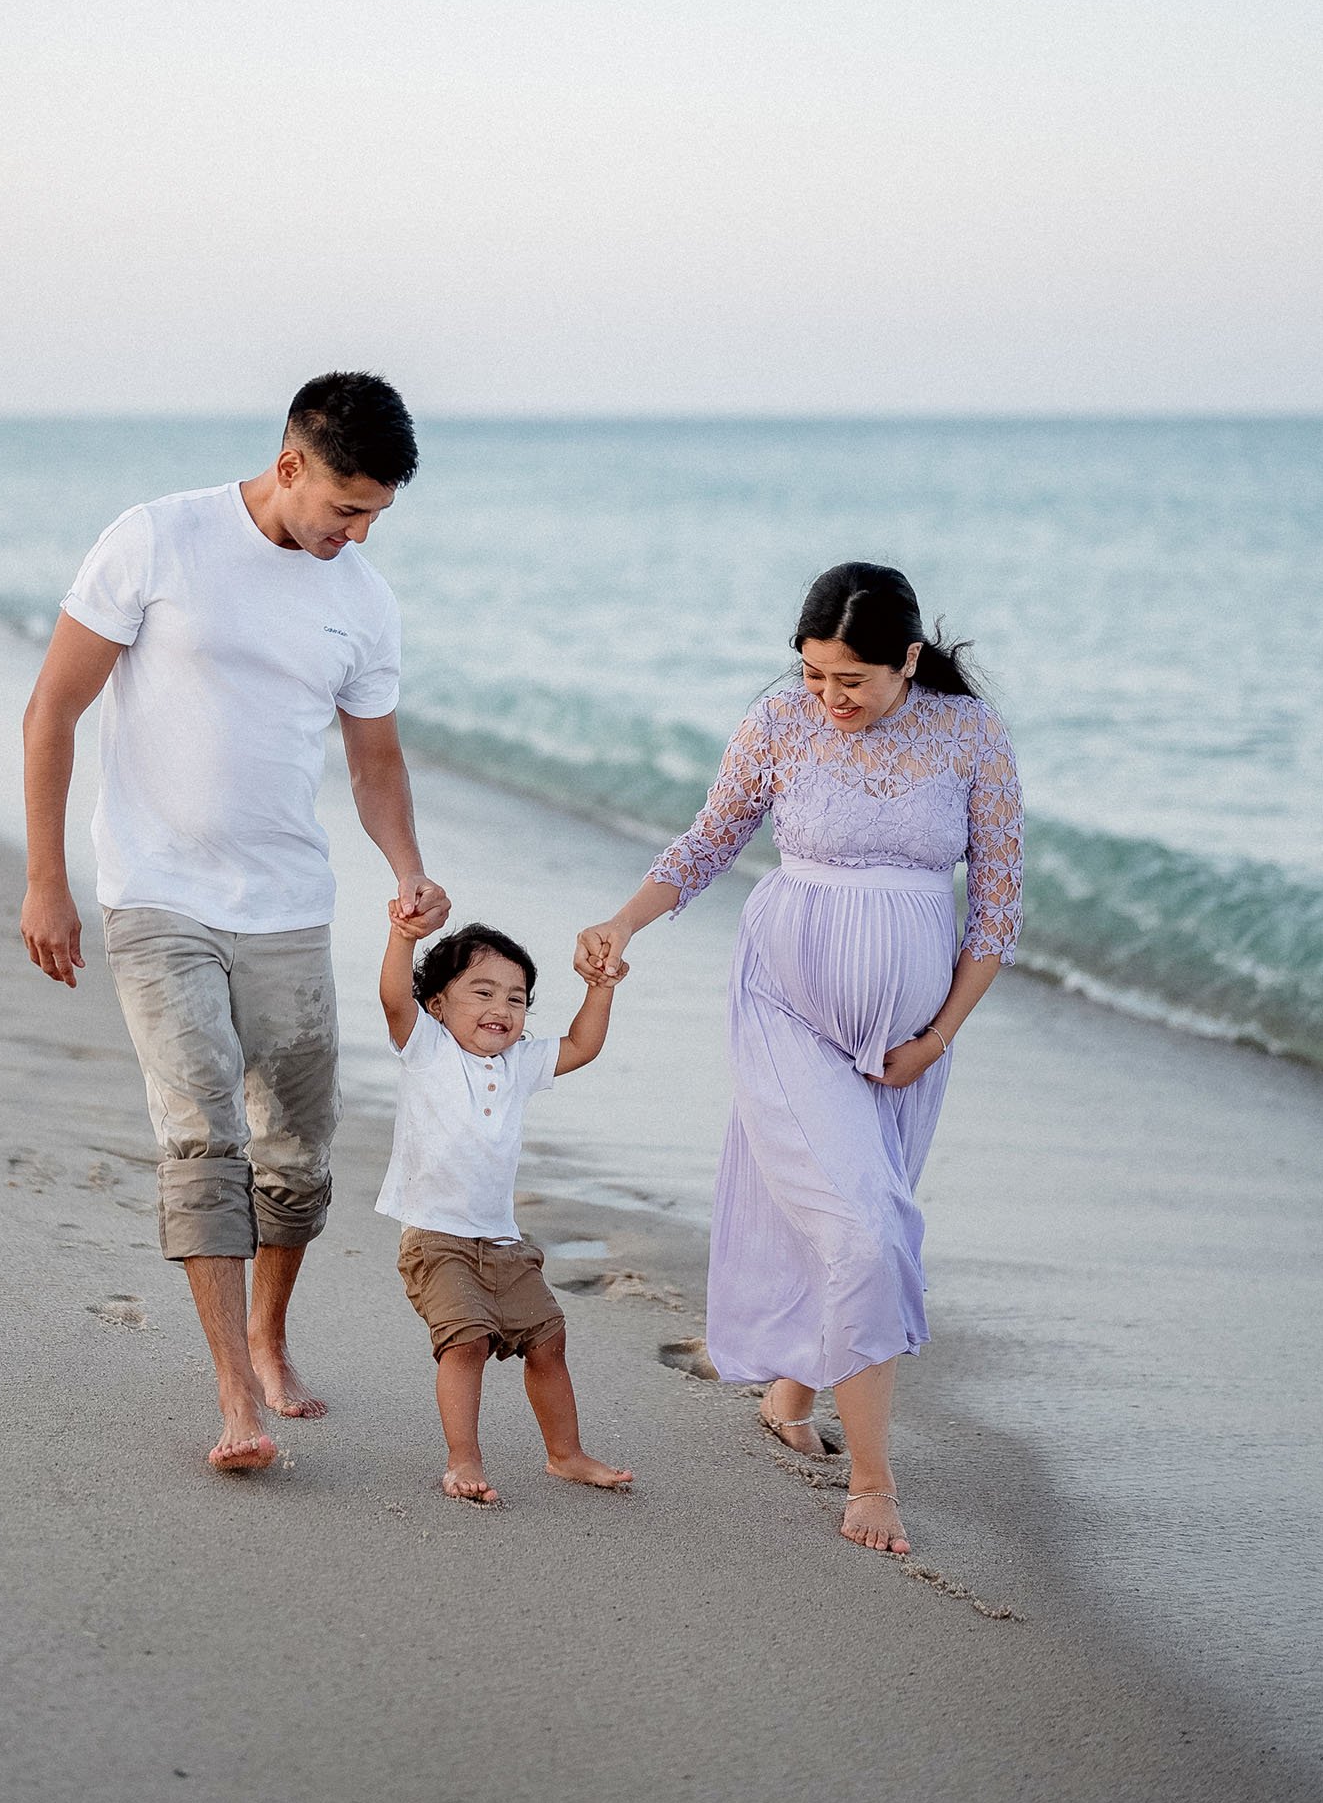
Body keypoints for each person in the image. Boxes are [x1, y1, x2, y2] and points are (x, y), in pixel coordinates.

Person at [20, 372, 451, 1473]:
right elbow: (52, 709)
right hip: (157, 894)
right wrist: (46, 880)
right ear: (291, 461)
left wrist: (405, 865)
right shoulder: (157, 540)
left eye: (374, 517)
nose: (354, 533)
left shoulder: (361, 597)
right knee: (201, 1133)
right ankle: (232, 1401)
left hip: (289, 906)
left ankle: (269, 1337)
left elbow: (375, 761)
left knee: (296, 1156)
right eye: (344, 508)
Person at [575, 562, 1023, 1557]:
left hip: (909, 1041)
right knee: (862, 1227)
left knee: (839, 1206)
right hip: (784, 1007)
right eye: (813, 674)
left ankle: (788, 1392)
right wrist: (624, 920)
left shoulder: (968, 735)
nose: (828, 698)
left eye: (850, 680)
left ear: (907, 659)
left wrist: (934, 1038)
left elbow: (996, 909)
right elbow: (706, 844)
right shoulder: (779, 722)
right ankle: (871, 1481)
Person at [377, 915, 634, 1506]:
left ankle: (565, 1454)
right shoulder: (428, 1048)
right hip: (436, 1239)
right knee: (464, 1342)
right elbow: (395, 998)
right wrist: (403, 937)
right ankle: (463, 1460)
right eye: (483, 992)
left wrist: (601, 989)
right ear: (438, 1004)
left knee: (549, 1340)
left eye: (517, 998)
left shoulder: (518, 1063)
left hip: (503, 1242)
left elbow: (582, 1046)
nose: (503, 1007)